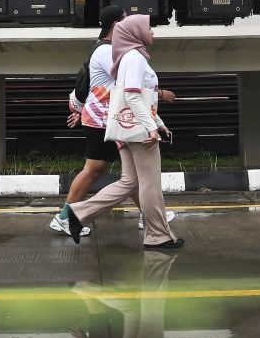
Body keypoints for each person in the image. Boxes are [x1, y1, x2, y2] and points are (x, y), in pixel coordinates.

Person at [59, 14, 183, 250]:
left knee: (129, 183)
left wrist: (158, 122)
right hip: (138, 130)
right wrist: (151, 127)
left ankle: (78, 214)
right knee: (150, 184)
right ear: (136, 33)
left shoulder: (125, 57)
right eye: (148, 28)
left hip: (125, 127)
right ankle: (157, 236)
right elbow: (133, 96)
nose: (153, 32)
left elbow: (131, 95)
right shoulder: (134, 58)